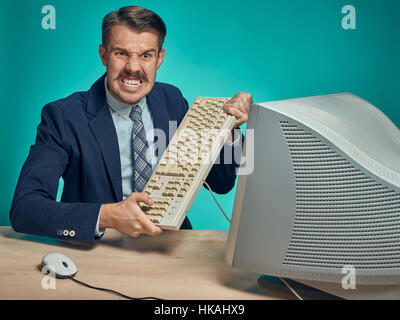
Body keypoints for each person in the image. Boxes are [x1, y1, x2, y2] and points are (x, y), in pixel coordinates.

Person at [9, 6, 252, 242]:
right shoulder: (63, 116)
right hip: (99, 251)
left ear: (159, 59)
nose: (133, 68)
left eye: (146, 55)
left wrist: (229, 128)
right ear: (104, 55)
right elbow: (25, 208)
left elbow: (221, 183)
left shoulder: (172, 101)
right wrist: (108, 215)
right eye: (121, 53)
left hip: (171, 247)